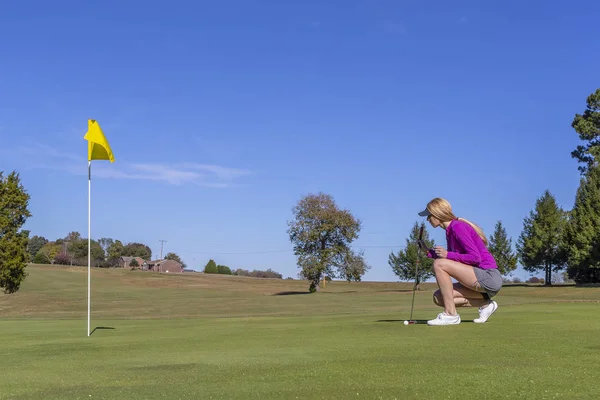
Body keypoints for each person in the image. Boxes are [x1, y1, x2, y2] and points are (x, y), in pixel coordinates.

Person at [417, 197, 502, 326]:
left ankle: (451, 315)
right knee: (439, 297)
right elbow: (453, 257)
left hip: (488, 276)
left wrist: (447, 254)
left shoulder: (458, 227)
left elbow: (475, 258)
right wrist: (426, 250)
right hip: (477, 279)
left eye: (429, 216)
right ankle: (485, 305)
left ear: (437, 213)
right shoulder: (450, 231)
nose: (428, 219)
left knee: (439, 264)